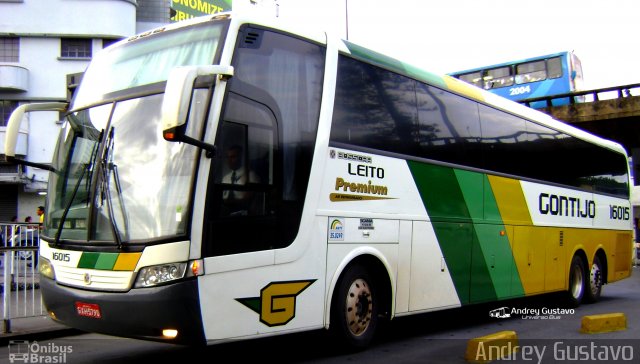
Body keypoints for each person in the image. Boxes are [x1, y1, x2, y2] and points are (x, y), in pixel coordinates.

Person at [221, 145, 259, 215]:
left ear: (241, 158)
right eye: (228, 157)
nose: (229, 160)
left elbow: (248, 200)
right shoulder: (225, 178)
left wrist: (227, 202)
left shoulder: (251, 176)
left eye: (233, 157)